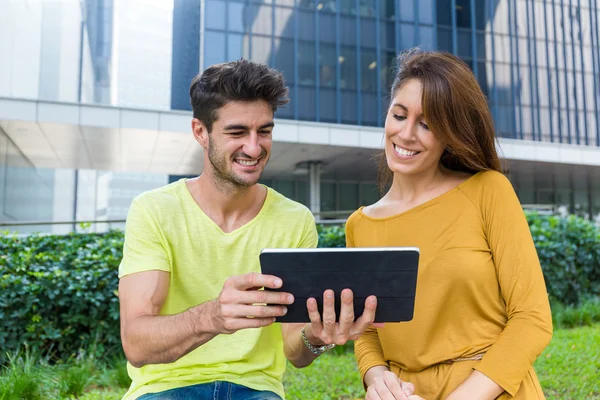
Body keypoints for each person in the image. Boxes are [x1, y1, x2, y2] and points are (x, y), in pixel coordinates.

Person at [117, 59, 382, 400]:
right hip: (165, 389)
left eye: (265, 131)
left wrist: (317, 338)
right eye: (237, 132)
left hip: (256, 390)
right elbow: (137, 344)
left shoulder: (295, 220)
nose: (255, 148)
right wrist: (213, 316)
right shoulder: (153, 210)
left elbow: (295, 351)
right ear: (201, 131)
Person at [346, 49, 553, 400]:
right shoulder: (360, 225)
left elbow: (532, 319)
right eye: (399, 115)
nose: (407, 134)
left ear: (450, 134)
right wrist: (376, 376)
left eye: (427, 124)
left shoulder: (488, 190)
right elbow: (368, 330)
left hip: (491, 390)